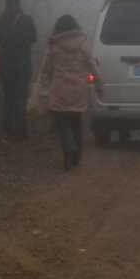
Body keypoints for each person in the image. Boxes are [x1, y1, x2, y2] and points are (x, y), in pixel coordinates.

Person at [40, 14, 96, 170]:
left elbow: (45, 68)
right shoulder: (83, 43)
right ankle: (77, 155)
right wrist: (100, 82)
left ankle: (68, 152)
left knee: (62, 124)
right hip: (79, 89)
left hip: (59, 89)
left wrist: (42, 85)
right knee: (76, 122)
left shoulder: (54, 44)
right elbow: (91, 63)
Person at [0, 0, 37, 141]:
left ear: (6, 3)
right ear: (19, 3)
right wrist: (21, 40)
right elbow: (33, 39)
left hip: (5, 65)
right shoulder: (27, 20)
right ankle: (21, 131)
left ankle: (7, 129)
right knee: (21, 98)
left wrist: (3, 39)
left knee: (8, 97)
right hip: (22, 64)